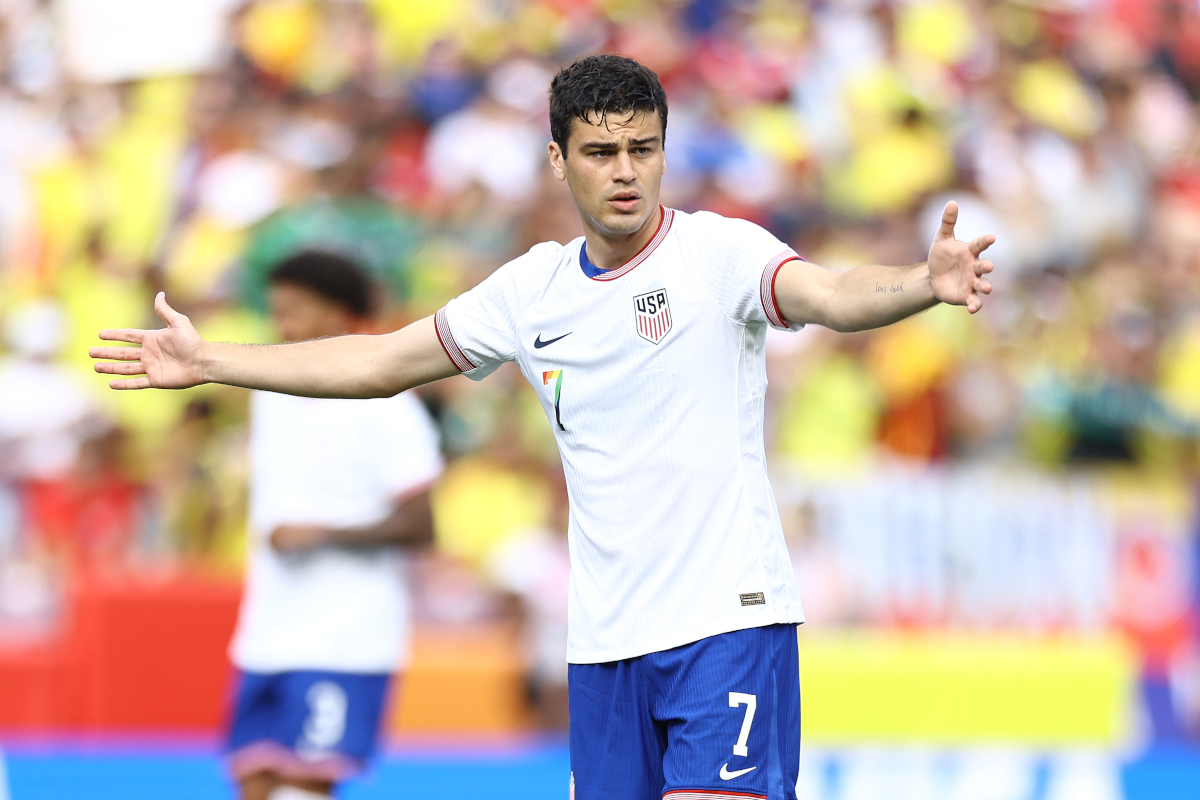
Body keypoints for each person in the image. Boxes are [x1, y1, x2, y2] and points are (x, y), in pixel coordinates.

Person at [91, 56, 994, 800]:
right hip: (603, 646)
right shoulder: (532, 291)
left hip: (729, 620)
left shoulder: (720, 254)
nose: (627, 170)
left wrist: (923, 281)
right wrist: (213, 362)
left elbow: (831, 294)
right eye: (602, 152)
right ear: (559, 161)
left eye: (644, 148)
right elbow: (376, 363)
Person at [221, 251, 443, 800]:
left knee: (303, 788)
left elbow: (422, 525)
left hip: (344, 635)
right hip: (266, 633)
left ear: (339, 314)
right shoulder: (271, 394)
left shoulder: (387, 407)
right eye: (276, 312)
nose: (282, 327)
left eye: (294, 312)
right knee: (255, 783)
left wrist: (323, 534)